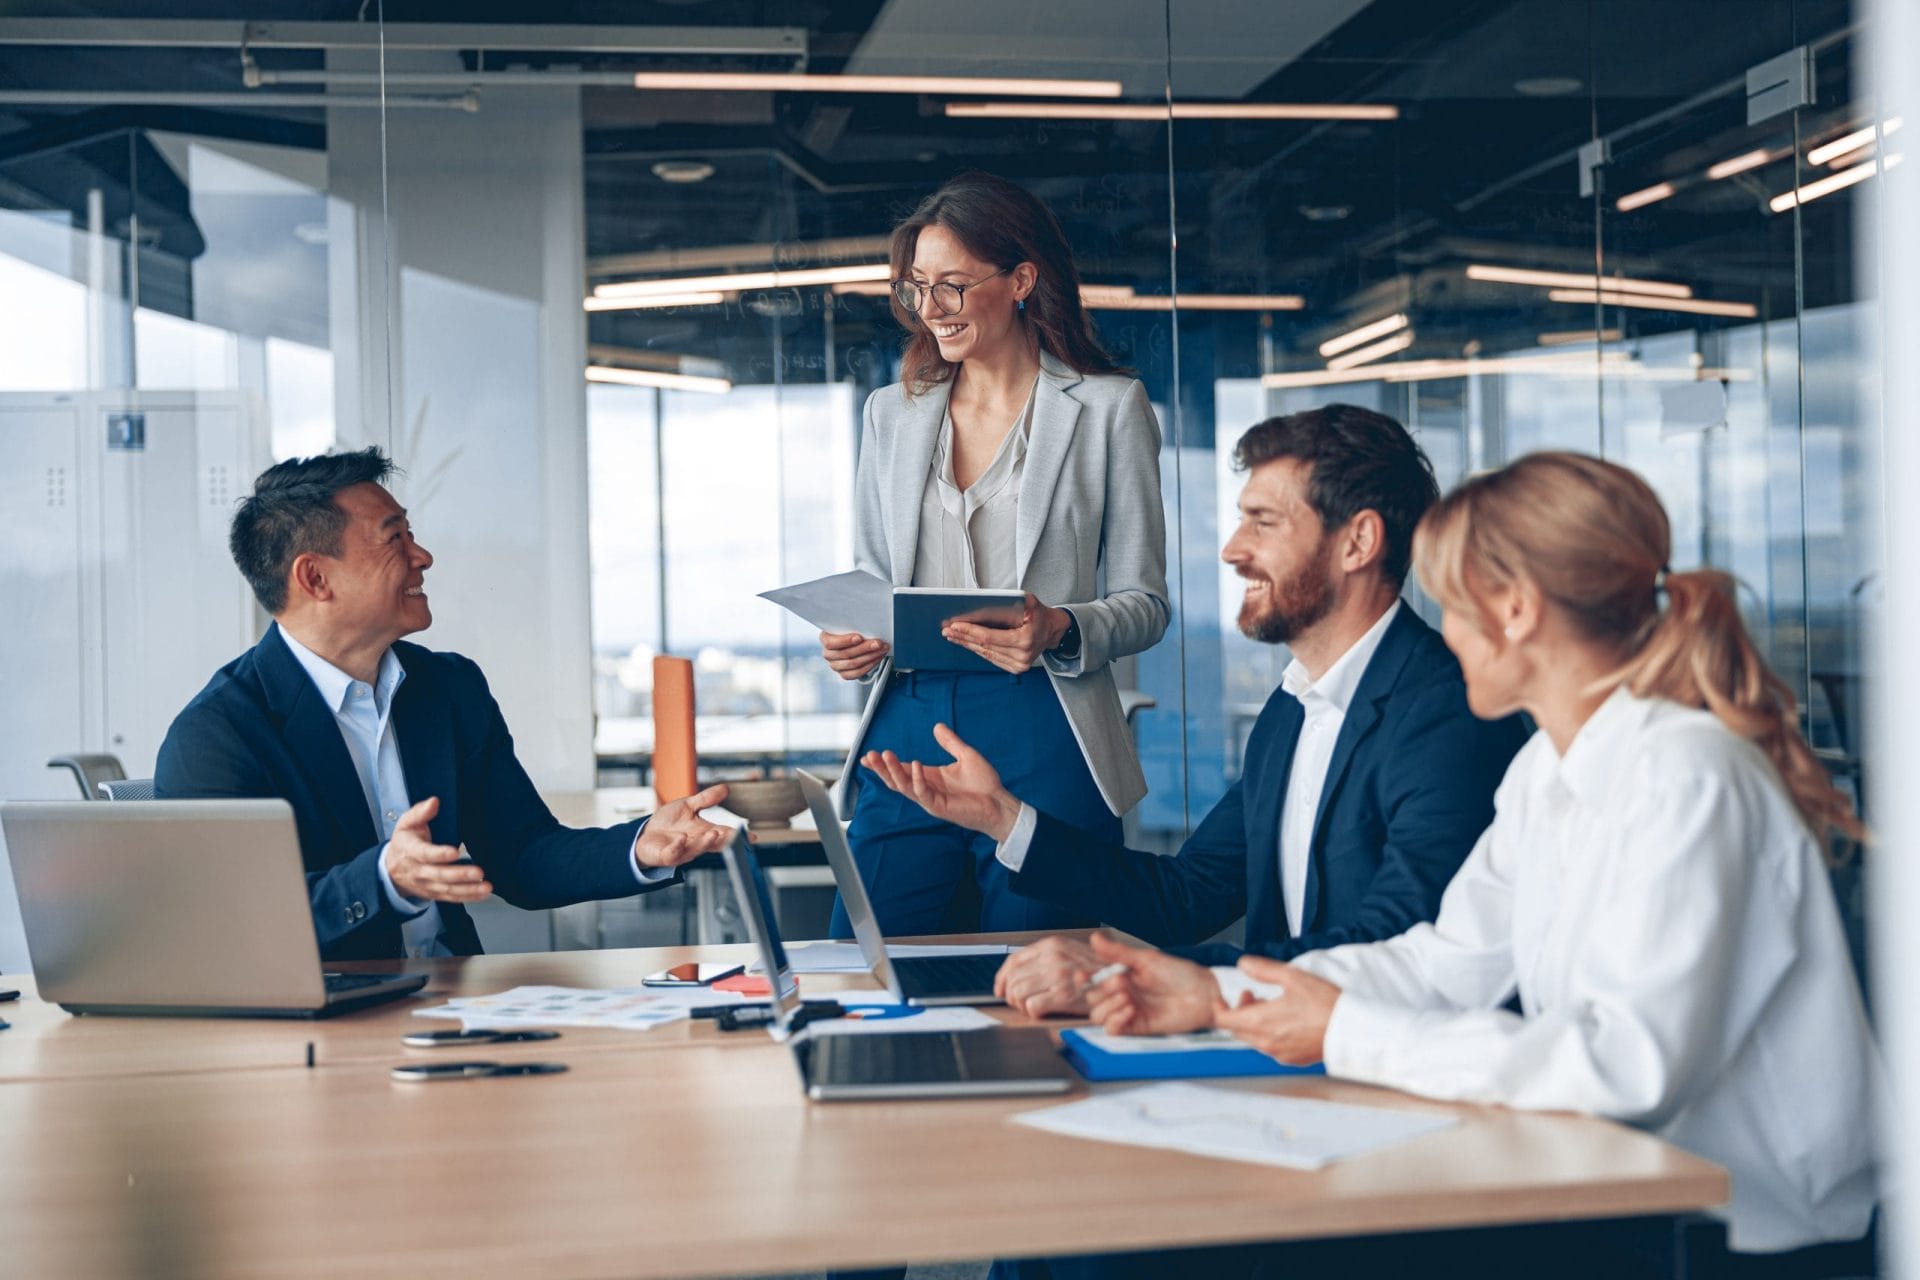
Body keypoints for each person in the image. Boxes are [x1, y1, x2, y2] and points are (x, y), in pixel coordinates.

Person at [1086, 452, 1880, 1273]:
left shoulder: (1687, 773)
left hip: (1743, 1234)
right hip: (1622, 1194)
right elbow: (1445, 962)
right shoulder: (1549, 768)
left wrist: (1343, 1029)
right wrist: (1220, 994)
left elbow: (1625, 1066)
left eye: (1453, 606)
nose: (1445, 635)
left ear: (1515, 610)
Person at [862, 406, 1525, 1018]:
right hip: (1284, 1052)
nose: (1232, 549)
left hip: (1385, 1073)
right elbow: (1189, 896)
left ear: (1358, 543)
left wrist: (1127, 976)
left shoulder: (1449, 715)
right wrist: (1003, 817)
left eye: (1264, 522)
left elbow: (1394, 944)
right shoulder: (1294, 708)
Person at [156, 448, 733, 961]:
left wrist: (639, 846)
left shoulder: (449, 687)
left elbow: (523, 855)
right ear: (315, 578)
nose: (422, 556)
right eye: (395, 539)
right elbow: (230, 926)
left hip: (455, 1004)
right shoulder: (217, 733)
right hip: (324, 1024)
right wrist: (383, 880)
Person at [818, 170, 1169, 939]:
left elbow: (1145, 603)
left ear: (1021, 281)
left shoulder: (1109, 408)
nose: (930, 310)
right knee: (873, 964)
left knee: (1041, 970)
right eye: (916, 289)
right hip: (907, 719)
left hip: (1047, 717)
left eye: (951, 286)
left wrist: (1061, 627)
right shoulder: (893, 414)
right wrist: (854, 639)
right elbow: (874, 580)